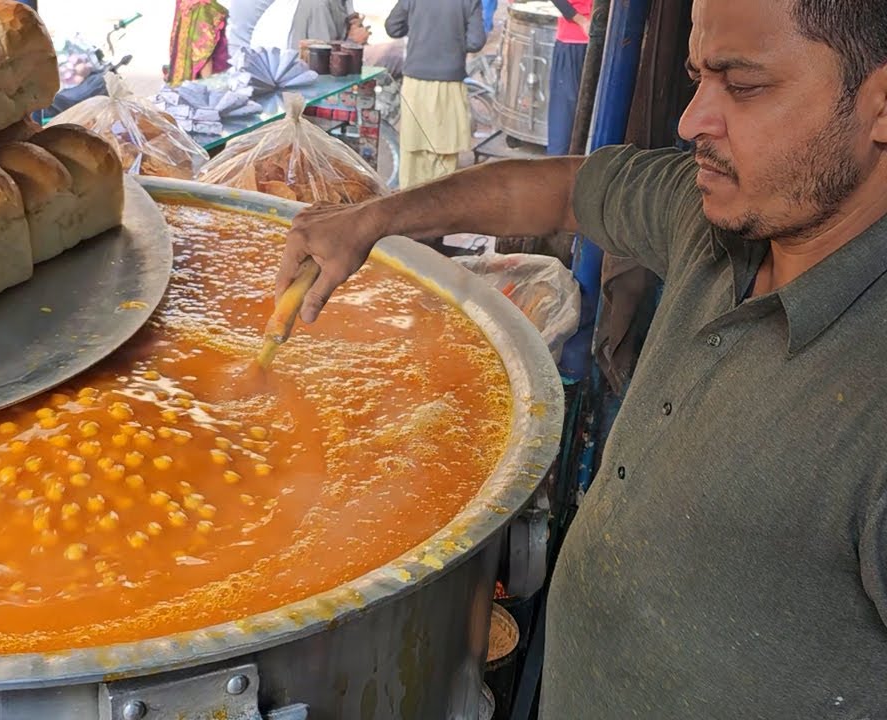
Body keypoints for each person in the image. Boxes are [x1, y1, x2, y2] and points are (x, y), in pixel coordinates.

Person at [274, 0, 887, 716]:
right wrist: (375, 219)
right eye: (696, 79)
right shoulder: (713, 216)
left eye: (743, 86)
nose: (692, 122)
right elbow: (566, 188)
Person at [385, 0, 486, 188]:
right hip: (450, 84)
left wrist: (419, 29)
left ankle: (410, 204)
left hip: (415, 83)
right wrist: (452, 41)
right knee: (444, 151)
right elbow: (475, 41)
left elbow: (393, 28)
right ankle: (438, 207)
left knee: (413, 149)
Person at [546, 0, 593, 155]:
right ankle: (556, 170)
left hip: (603, 43)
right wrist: (582, 21)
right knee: (564, 117)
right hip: (572, 43)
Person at [167, 0, 232, 84]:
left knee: (204, 44)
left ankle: (207, 85)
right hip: (189, 6)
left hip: (201, 6)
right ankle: (202, 84)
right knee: (196, 43)